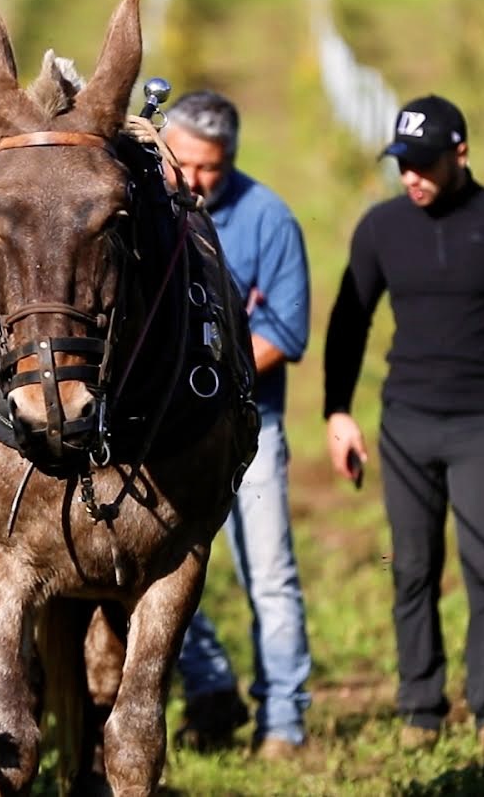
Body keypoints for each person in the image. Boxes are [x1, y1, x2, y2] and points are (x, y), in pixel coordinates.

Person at [321, 94, 484, 755]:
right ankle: (420, 706)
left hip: (483, 426)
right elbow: (349, 322)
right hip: (405, 424)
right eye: (402, 163)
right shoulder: (381, 229)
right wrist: (338, 411)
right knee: (411, 567)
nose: (411, 176)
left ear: (460, 153)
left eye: (424, 163)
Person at [159, 90, 313, 759]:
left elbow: (285, 329)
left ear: (233, 159)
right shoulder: (143, 212)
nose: (194, 180)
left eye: (210, 168)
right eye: (183, 163)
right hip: (162, 435)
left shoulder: (267, 219)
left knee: (268, 574)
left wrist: (213, 368)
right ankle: (209, 682)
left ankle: (283, 720)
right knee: (154, 567)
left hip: (249, 426)